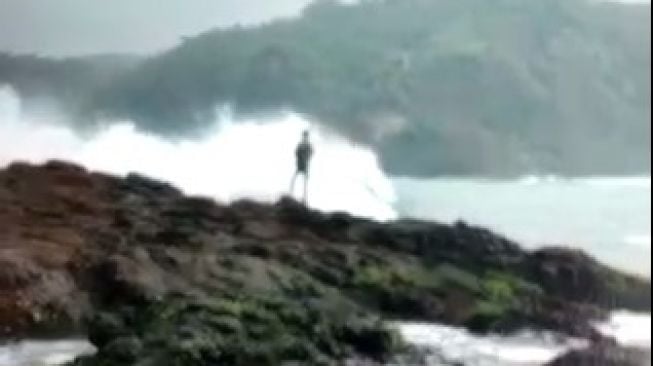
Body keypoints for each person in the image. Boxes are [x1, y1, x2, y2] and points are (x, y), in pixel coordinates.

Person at [290, 130, 313, 203]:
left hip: (304, 163)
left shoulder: (307, 144)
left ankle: (304, 196)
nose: (305, 137)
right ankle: (291, 192)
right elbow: (296, 152)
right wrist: (301, 157)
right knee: (296, 177)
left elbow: (311, 152)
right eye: (304, 135)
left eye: (306, 136)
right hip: (301, 163)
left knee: (303, 179)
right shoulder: (302, 144)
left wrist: (307, 157)